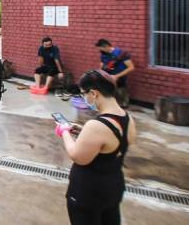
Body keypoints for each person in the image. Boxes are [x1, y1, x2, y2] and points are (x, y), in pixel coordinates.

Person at [56, 70, 137, 225]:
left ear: (94, 93)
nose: (85, 98)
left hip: (88, 193)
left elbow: (77, 156)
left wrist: (64, 131)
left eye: (84, 94)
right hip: (113, 188)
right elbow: (113, 143)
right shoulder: (128, 119)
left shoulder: (96, 126)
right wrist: (83, 131)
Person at [95, 39, 135, 108]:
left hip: (120, 79)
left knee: (122, 103)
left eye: (101, 49)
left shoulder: (122, 54)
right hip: (108, 78)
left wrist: (117, 76)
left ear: (106, 46)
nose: (100, 51)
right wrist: (100, 73)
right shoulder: (103, 54)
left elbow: (131, 67)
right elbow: (102, 64)